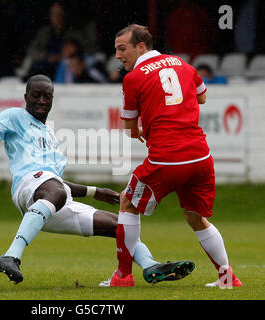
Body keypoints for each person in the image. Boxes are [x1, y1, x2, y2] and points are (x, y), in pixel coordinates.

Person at [0, 74, 195, 285]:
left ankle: (150, 266)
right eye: (35, 95)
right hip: (27, 187)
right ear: (25, 97)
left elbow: (57, 184)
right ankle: (11, 256)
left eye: (46, 96)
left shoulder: (49, 134)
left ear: (52, 99)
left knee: (121, 226)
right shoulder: (15, 116)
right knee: (55, 190)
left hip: (50, 202)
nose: (41, 100)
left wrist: (97, 192)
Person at [100, 24, 242, 288]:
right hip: (201, 157)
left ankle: (122, 277)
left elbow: (131, 130)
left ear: (141, 47)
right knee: (195, 216)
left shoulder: (133, 78)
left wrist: (145, 126)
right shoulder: (183, 64)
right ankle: (227, 277)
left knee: (128, 202)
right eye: (116, 50)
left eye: (122, 49)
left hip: (168, 158)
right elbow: (201, 98)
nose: (118, 56)